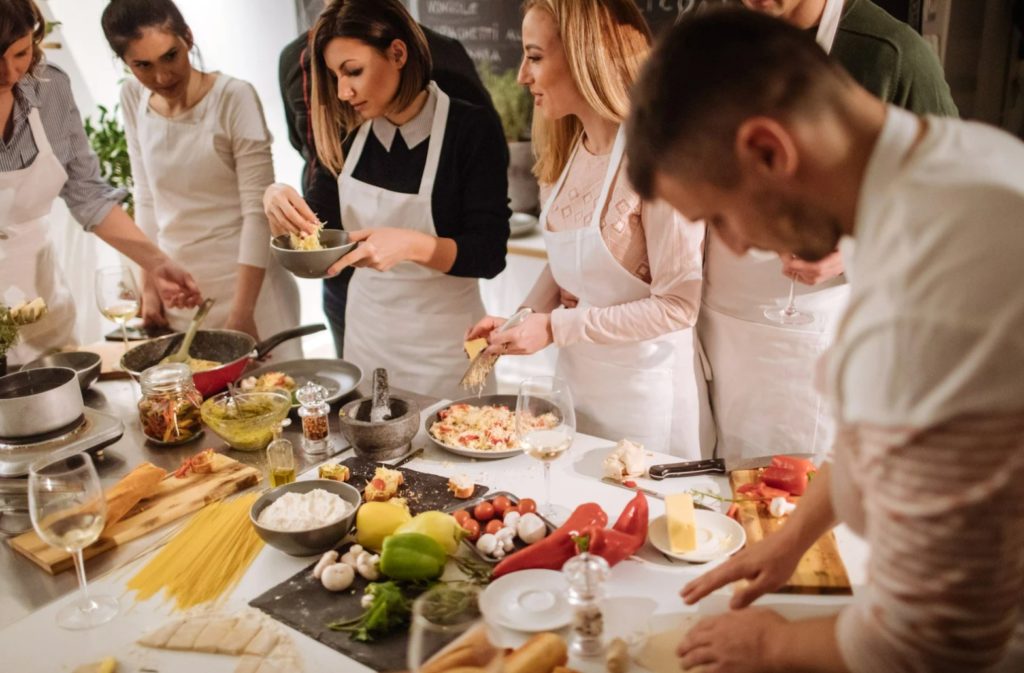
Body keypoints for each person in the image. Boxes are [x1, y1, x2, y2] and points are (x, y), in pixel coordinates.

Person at [627, 8, 1024, 672]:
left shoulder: (936, 279)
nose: (732, 245)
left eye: (719, 216)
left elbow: (936, 638)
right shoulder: (956, 165)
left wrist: (770, 643)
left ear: (768, 150)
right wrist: (792, 538)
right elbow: (874, 439)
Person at [700, 0, 959, 460]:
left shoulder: (890, 54)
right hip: (711, 328)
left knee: (790, 503)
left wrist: (853, 247)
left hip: (814, 340)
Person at [467, 0, 713, 457]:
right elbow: (566, 265)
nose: (522, 75)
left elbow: (679, 306)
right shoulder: (565, 151)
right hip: (578, 389)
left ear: (585, 55)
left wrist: (556, 328)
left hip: (648, 400)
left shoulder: (659, 157)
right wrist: (520, 321)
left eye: (535, 56)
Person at [265, 0, 509, 399]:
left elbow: (488, 253)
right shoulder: (347, 133)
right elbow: (322, 235)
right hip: (369, 338)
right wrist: (278, 200)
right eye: (334, 76)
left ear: (397, 53)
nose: (343, 92)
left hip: (448, 344)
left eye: (353, 71)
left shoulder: (469, 128)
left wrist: (412, 245)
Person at [0, 0, 201, 365]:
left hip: (41, 308)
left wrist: (157, 263)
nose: (8, 73)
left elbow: (87, 194)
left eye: (20, 53)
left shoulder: (50, 89)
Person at [101, 0, 300, 352]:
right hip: (182, 292)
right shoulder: (133, 97)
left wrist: (243, 312)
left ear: (188, 38)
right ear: (125, 63)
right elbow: (146, 196)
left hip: (251, 291)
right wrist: (150, 286)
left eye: (170, 56)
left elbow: (257, 212)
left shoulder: (233, 98)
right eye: (142, 65)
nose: (161, 77)